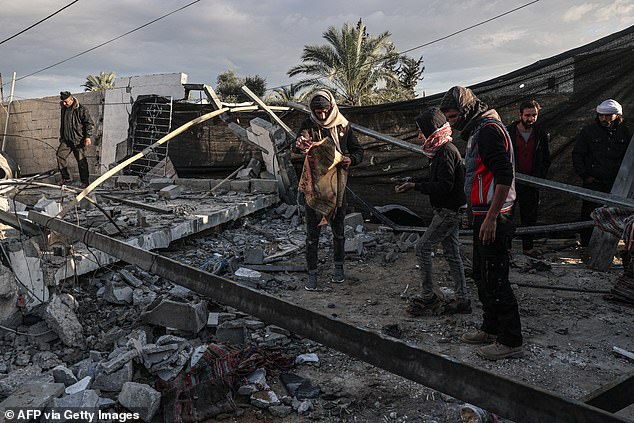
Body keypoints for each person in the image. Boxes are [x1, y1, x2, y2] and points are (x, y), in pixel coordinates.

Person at [440, 86, 523, 360]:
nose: (451, 123)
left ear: (466, 111)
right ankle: (491, 327)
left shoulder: (489, 130)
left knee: (495, 276)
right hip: (483, 213)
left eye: (453, 117)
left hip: (496, 215)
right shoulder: (479, 129)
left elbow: (504, 175)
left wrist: (491, 218)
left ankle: (510, 340)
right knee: (481, 273)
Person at [394, 107, 470, 315]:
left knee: (422, 248)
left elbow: (443, 186)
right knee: (453, 254)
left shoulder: (445, 151)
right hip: (449, 209)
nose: (419, 136)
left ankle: (428, 296)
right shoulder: (440, 150)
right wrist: (411, 180)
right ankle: (463, 299)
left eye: (421, 131)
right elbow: (435, 180)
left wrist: (415, 187)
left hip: (448, 211)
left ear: (431, 130)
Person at [295, 90, 363, 291]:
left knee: (338, 232)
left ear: (331, 107)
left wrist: (352, 159)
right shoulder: (309, 125)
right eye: (318, 112)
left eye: (325, 111)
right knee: (312, 235)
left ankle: (339, 269)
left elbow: (358, 151)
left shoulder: (343, 126)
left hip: (337, 187)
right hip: (315, 188)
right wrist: (300, 143)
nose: (322, 116)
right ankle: (312, 274)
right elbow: (299, 142)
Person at [572, 99, 631, 246]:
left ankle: (608, 246)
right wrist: (585, 176)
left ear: (617, 115)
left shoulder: (626, 132)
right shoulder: (589, 131)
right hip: (594, 183)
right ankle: (586, 245)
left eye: (607, 116)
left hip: (616, 185)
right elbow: (578, 154)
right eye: (601, 115)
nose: (603, 119)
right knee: (589, 215)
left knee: (614, 216)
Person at [507, 100, 551, 256]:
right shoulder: (509, 132)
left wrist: (539, 176)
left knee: (529, 215)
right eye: (528, 115)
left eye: (534, 115)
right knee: (506, 215)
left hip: (531, 182)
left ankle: (528, 247)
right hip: (510, 183)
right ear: (520, 115)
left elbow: (546, 158)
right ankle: (506, 247)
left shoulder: (540, 133)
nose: (531, 118)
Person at [57, 91, 94, 188]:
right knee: (60, 155)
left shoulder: (81, 109)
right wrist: (62, 137)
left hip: (78, 140)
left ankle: (85, 182)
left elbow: (89, 123)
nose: (64, 103)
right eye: (63, 102)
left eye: (66, 101)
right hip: (66, 140)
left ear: (72, 99)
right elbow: (63, 124)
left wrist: (88, 137)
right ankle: (66, 178)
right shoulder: (64, 109)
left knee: (81, 161)